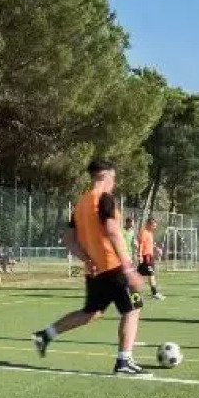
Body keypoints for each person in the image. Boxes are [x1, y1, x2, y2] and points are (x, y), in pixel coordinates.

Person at [32, 159, 151, 376]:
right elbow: (113, 231)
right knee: (133, 310)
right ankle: (124, 361)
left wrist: (87, 259)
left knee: (92, 312)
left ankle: (45, 334)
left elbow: (68, 239)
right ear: (105, 176)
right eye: (113, 178)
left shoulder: (81, 203)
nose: (114, 183)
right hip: (114, 267)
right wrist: (128, 268)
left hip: (95, 270)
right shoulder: (105, 199)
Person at [138, 217, 163, 300]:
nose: (154, 227)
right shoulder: (144, 232)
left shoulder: (150, 233)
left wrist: (157, 249)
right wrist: (140, 255)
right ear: (149, 224)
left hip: (150, 257)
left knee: (140, 276)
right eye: (153, 225)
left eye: (155, 226)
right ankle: (154, 293)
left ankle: (133, 292)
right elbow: (141, 245)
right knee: (151, 275)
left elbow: (151, 244)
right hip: (146, 257)